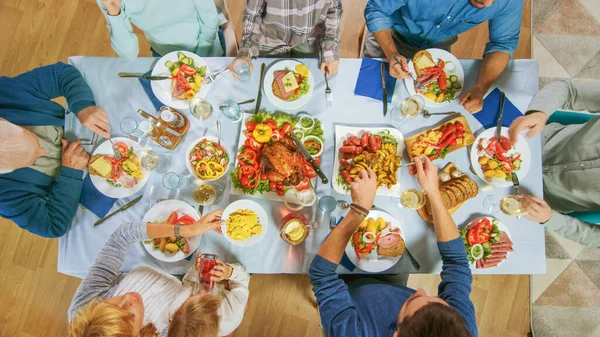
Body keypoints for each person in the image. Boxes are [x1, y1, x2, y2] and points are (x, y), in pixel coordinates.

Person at [309, 156, 477, 337]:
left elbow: (322, 275)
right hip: (388, 286)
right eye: (433, 298)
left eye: (414, 298)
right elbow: (457, 263)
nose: (419, 290)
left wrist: (359, 210)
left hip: (349, 294)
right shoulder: (458, 328)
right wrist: (433, 192)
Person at [68, 209, 250, 337]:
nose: (129, 297)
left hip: (182, 283)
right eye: (130, 314)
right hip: (188, 293)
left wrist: (187, 230)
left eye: (111, 303)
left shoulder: (84, 311)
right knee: (241, 306)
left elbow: (121, 237)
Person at [0, 63, 110, 238]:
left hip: (99, 128)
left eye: (35, 140)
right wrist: (70, 173)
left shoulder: (5, 95)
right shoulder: (4, 195)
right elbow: (52, 226)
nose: (43, 151)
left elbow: (61, 74)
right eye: (32, 159)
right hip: (88, 184)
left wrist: (83, 107)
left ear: (4, 121)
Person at [363, 0, 523, 113]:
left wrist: (481, 88)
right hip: (390, 36)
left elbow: (503, 43)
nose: (487, 4)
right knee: (369, 104)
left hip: (438, 48)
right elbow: (377, 9)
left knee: (432, 109)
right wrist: (391, 52)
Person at [508, 79, 600, 248]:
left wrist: (551, 219)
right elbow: (569, 89)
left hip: (532, 198)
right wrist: (539, 112)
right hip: (529, 141)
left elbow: (596, 238)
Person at [228, 0, 343, 77]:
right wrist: (246, 51)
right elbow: (253, 15)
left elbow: (334, 8)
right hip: (270, 42)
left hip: (310, 40)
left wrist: (330, 49)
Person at [97, 0, 224, 61]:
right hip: (165, 56)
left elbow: (209, 16)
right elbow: (129, 54)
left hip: (208, 46)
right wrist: (114, 12)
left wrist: (197, 57)